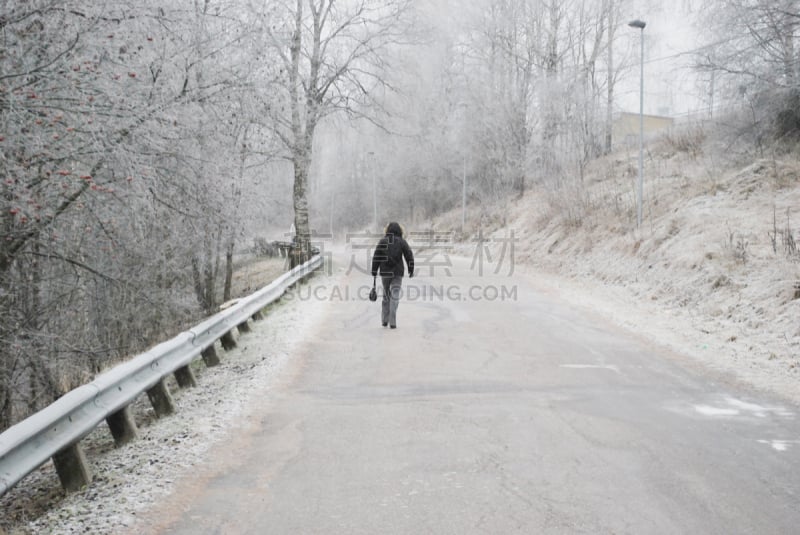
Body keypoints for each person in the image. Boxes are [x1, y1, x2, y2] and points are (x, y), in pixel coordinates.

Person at [371, 222, 414, 329]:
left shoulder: (382, 241)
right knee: (395, 295)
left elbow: (376, 257)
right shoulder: (402, 242)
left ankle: (385, 320)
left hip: (385, 272)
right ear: (400, 230)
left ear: (387, 230)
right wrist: (411, 268)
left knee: (386, 296)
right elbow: (409, 255)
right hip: (397, 273)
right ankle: (393, 320)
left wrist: (374, 271)